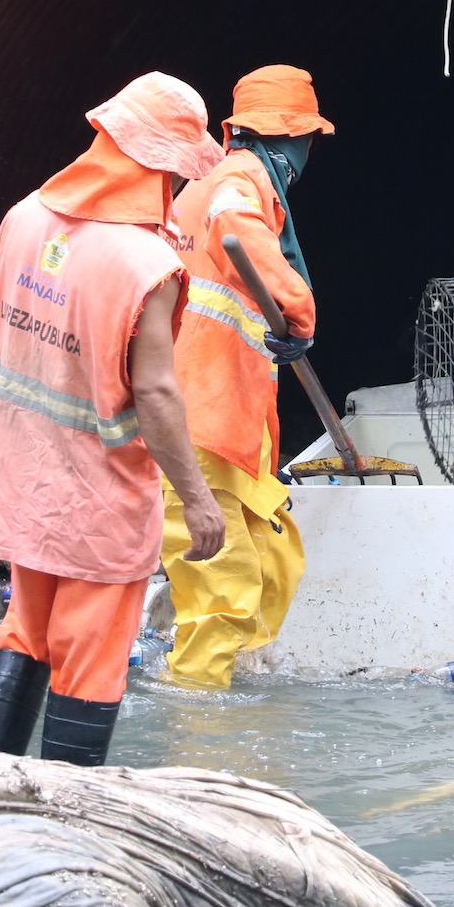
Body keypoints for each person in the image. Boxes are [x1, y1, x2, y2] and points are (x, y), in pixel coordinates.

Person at [0, 71, 228, 764]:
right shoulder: (147, 263)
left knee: (25, 631)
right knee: (90, 657)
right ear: (165, 168)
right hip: (100, 499)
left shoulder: (23, 217)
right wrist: (197, 501)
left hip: (25, 481)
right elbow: (158, 394)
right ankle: (65, 823)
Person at [157, 65, 333, 689]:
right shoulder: (240, 178)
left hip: (229, 424)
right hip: (194, 427)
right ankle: (205, 733)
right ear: (292, 137)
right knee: (220, 599)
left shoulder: (212, 184)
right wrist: (297, 309)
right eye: (309, 138)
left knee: (277, 560)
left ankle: (242, 686)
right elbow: (235, 226)